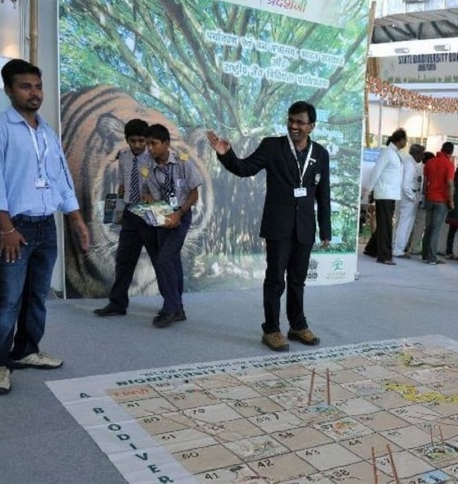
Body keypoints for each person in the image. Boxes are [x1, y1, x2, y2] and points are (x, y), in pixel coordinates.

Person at [0, 59, 90, 395]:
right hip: (14, 229)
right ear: (9, 90)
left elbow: (62, 182)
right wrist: (7, 230)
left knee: (37, 297)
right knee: (7, 299)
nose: (34, 93)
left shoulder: (48, 133)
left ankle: (26, 350)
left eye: (38, 86)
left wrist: (76, 220)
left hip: (45, 228)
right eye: (26, 86)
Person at [207, 100, 331, 351]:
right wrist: (225, 154)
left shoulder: (320, 154)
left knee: (297, 280)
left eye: (300, 122)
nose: (294, 126)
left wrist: (325, 230)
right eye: (291, 120)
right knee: (275, 279)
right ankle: (271, 330)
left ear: (312, 126)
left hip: (305, 228)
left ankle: (297, 325)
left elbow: (323, 195)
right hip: (279, 226)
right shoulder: (272, 146)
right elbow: (244, 168)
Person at [94, 118, 157, 317]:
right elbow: (122, 185)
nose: (137, 145)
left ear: (147, 140)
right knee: (123, 260)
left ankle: (174, 305)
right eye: (132, 141)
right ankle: (117, 303)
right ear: (127, 140)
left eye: (141, 141)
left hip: (151, 214)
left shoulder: (155, 157)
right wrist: (119, 212)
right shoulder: (124, 156)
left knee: (160, 260)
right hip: (130, 213)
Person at [141, 123, 202, 328]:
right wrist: (156, 208)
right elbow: (156, 198)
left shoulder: (184, 163)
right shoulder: (148, 168)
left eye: (153, 144)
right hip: (163, 216)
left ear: (166, 143)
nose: (149, 148)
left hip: (182, 215)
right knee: (172, 261)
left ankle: (171, 308)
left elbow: (194, 194)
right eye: (148, 144)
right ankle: (179, 309)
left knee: (164, 259)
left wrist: (179, 214)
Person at [366, 128, 407, 265]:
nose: (406, 143)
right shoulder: (387, 153)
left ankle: (371, 249)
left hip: (391, 193)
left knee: (384, 224)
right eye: (405, 140)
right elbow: (376, 171)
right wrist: (370, 190)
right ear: (400, 140)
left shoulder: (395, 154)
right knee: (386, 226)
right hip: (384, 193)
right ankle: (384, 255)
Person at [422, 142, 455, 265]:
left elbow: (425, 182)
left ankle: (425, 254)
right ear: (451, 152)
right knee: (436, 229)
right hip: (441, 200)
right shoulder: (449, 165)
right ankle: (432, 258)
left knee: (428, 227)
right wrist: (451, 201)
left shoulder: (430, 162)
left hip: (429, 198)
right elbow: (450, 184)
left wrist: (424, 196)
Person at [393, 143, 425, 259]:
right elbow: (406, 185)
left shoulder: (407, 162)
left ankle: (396, 247)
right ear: (416, 154)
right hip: (408, 199)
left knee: (401, 223)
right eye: (421, 155)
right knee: (405, 225)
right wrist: (414, 198)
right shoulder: (410, 165)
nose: (422, 157)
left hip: (402, 197)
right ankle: (398, 249)